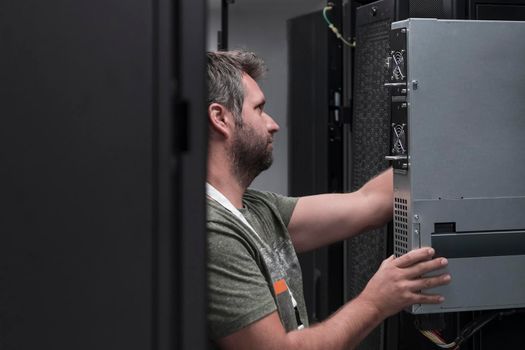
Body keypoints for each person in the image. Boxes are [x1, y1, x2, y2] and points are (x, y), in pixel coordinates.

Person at [206, 50, 450, 350]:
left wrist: (452, 143)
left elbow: (368, 203)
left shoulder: (256, 210)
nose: (273, 124)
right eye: (259, 109)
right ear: (220, 118)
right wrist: (376, 302)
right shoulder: (212, 230)